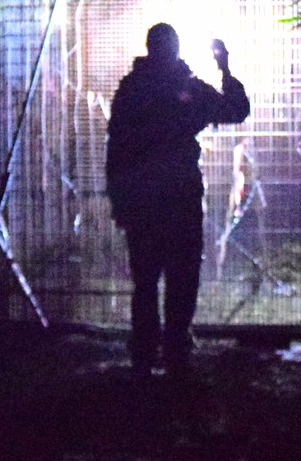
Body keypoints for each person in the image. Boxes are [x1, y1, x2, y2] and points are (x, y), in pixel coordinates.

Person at [106, 23, 250, 379]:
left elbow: (116, 149)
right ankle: (175, 351)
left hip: (143, 199)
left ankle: (145, 354)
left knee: (146, 281)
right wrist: (225, 68)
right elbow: (235, 109)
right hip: (179, 196)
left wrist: (119, 200)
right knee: (181, 277)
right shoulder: (186, 87)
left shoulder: (132, 89)